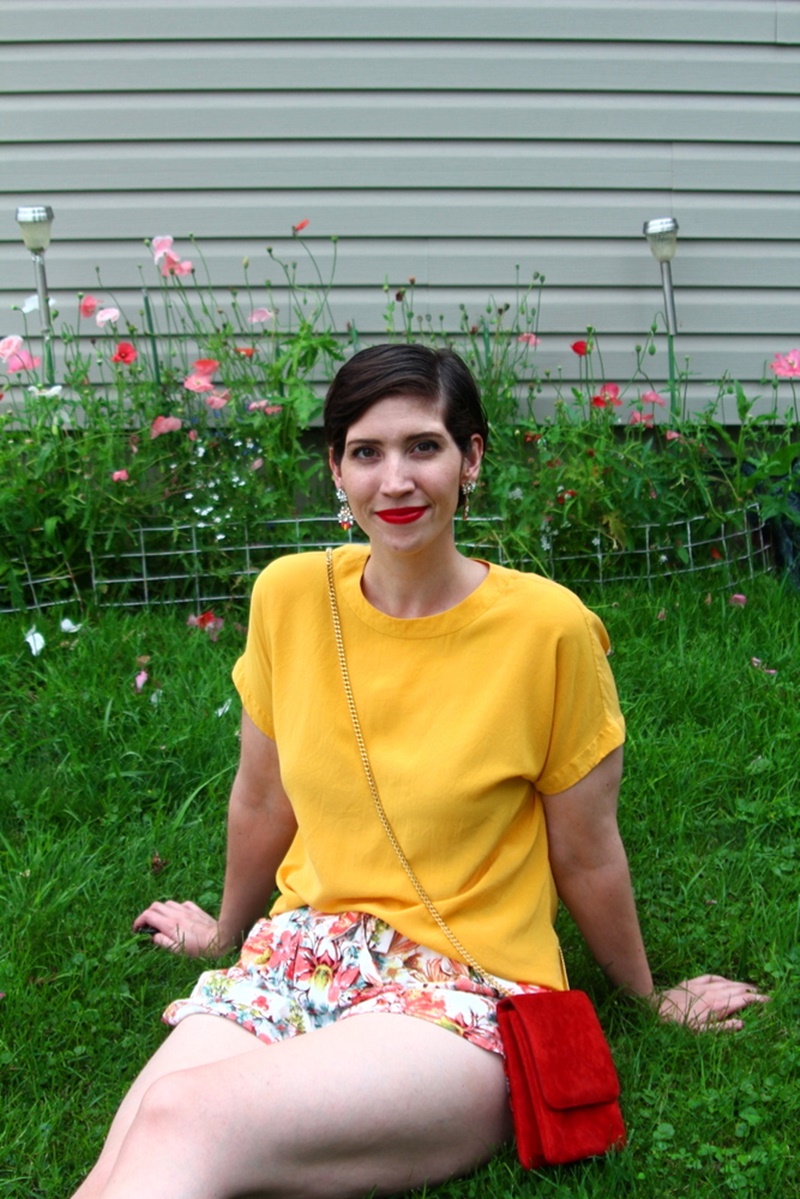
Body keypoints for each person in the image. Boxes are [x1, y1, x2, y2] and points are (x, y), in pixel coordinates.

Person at [71, 344, 768, 1199]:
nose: (394, 480)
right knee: (131, 1145)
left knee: (184, 1117)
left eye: (423, 447)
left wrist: (646, 992)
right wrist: (225, 932)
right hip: (304, 952)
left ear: (471, 458)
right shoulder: (290, 597)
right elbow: (262, 797)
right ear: (335, 468)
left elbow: (586, 849)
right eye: (366, 452)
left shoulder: (547, 630)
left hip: (465, 983)